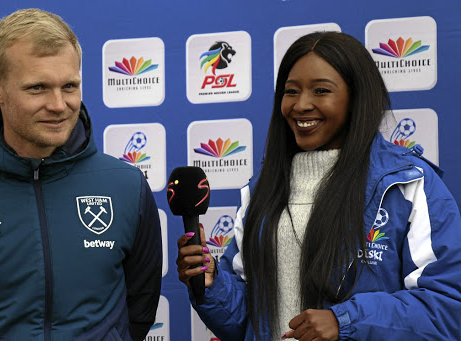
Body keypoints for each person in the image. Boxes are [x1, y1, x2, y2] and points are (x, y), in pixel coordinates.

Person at [176, 31, 461, 340]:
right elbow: (246, 321)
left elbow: (447, 309)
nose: (301, 105)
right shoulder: (261, 190)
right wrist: (212, 283)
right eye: (291, 91)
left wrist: (346, 322)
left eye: (321, 90)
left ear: (357, 98)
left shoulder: (407, 184)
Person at [0, 8, 162, 340]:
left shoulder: (127, 186)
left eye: (70, 85)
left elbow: (140, 308)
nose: (59, 105)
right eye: (37, 88)